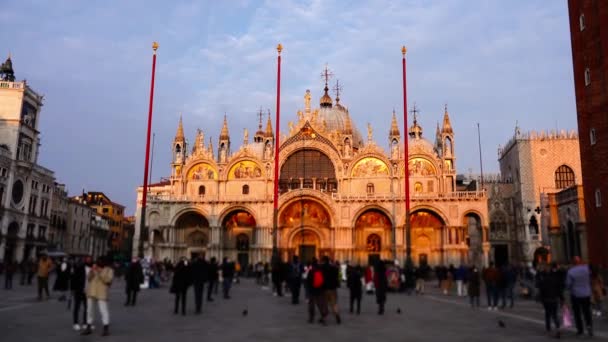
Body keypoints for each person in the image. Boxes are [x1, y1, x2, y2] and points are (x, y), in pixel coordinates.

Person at [81, 257, 114, 337]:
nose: (98, 263)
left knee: (103, 310)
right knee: (90, 310)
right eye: (97, 262)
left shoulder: (109, 270)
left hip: (101, 293)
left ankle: (106, 328)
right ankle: (88, 327)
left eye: (100, 261)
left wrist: (100, 272)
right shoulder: (94, 268)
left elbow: (108, 280)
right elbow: (88, 278)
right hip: (91, 291)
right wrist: (92, 271)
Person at [566, 256, 593, 337]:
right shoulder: (587, 269)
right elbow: (590, 278)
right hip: (586, 294)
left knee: (577, 313)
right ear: (580, 261)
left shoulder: (571, 271)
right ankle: (589, 326)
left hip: (576, 294)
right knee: (587, 312)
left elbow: (568, 284)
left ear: (573, 263)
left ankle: (580, 330)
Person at [536, 262, 564, 338]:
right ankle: (557, 328)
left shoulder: (543, 280)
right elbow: (559, 290)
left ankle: (548, 327)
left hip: (547, 300)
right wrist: (562, 299)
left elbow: (541, 291)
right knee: (554, 315)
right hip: (554, 299)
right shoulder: (555, 279)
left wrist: (541, 299)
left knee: (548, 313)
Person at [306, 257, 328, 325]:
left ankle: (311, 318)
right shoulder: (321, 269)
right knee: (321, 305)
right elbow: (324, 279)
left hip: (312, 290)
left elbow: (308, 281)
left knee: (311, 305)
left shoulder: (311, 270)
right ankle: (323, 318)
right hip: (320, 290)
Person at [71, 256, 89, 331]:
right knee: (77, 307)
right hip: (78, 290)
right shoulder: (76, 269)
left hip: (86, 291)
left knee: (86, 308)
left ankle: (85, 323)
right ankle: (75, 323)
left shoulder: (88, 269)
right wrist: (72, 290)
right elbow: (73, 280)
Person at [322, 256, 341, 324]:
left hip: (325, 289)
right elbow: (337, 277)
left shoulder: (322, 268)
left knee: (324, 304)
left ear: (324, 261)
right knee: (334, 304)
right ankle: (337, 315)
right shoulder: (334, 268)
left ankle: (324, 319)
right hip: (333, 289)